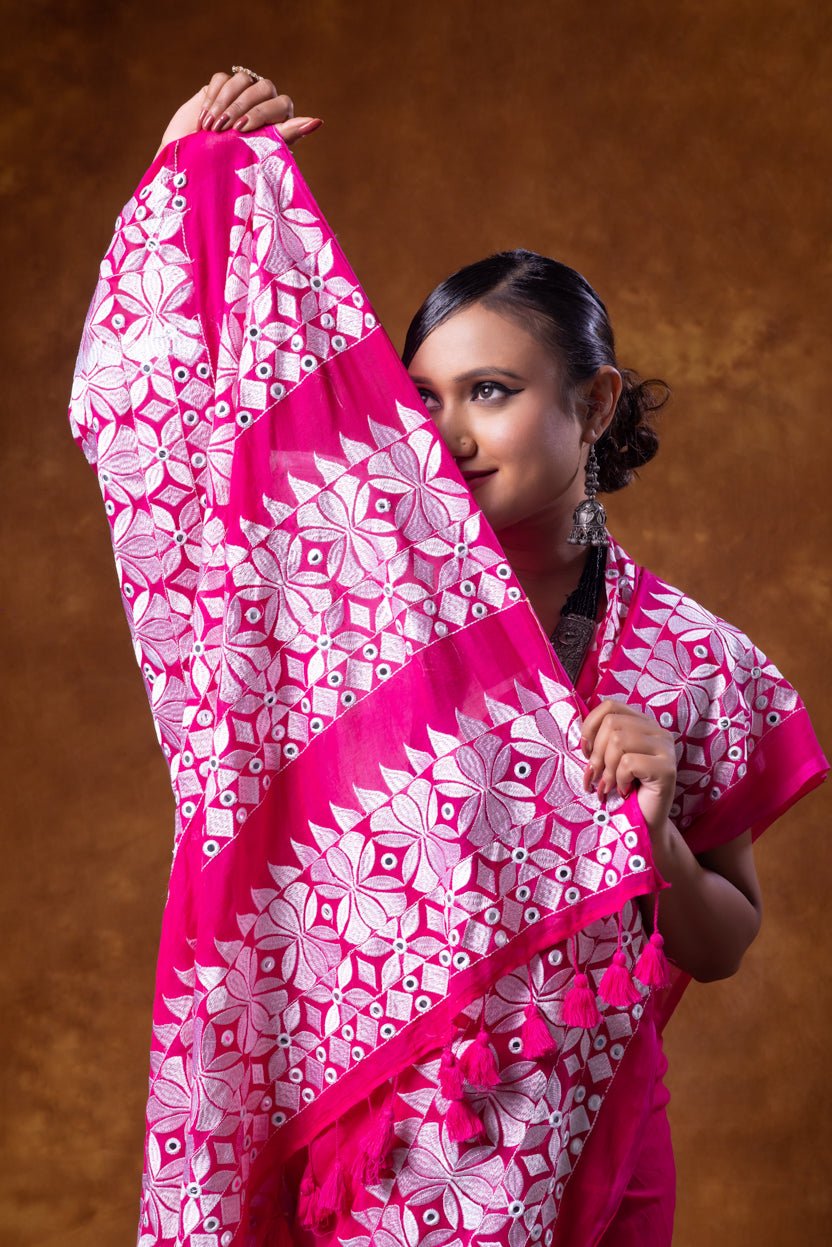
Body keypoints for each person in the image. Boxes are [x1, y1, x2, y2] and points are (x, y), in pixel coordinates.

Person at [69, 70, 827, 1247]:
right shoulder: (351, 600)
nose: (452, 433)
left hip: (595, 1148)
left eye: (491, 391)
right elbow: (173, 443)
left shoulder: (693, 657)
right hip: (377, 1153)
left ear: (594, 402)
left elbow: (723, 941)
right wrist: (187, 186)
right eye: (423, 399)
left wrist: (658, 829)